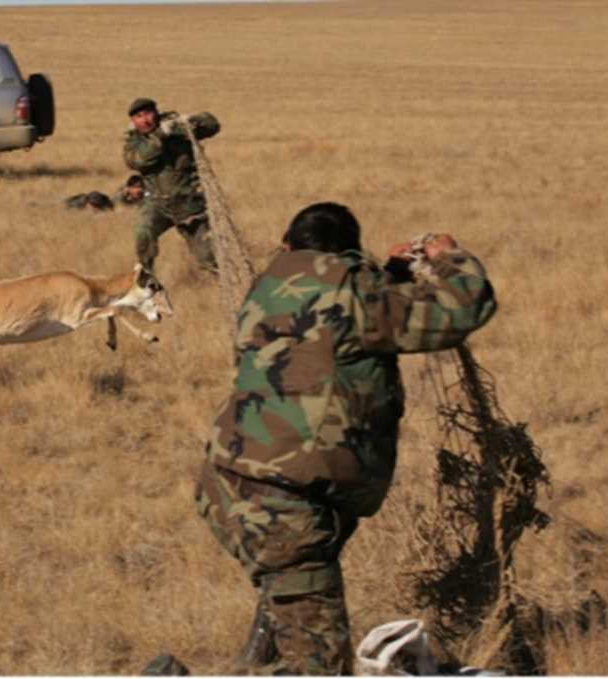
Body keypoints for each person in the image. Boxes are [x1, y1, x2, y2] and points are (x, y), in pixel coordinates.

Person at [194, 202, 498, 675]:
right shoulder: (360, 294)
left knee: (290, 596)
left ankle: (258, 660)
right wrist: (448, 258)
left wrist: (384, 273)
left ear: (290, 244)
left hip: (232, 483)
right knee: (323, 663)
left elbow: (332, 318)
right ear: (350, 252)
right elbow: (462, 309)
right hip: (284, 505)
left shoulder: (269, 283)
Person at [123, 98, 219, 272]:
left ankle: (230, 288)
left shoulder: (176, 130)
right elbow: (138, 161)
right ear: (133, 121)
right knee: (143, 233)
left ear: (156, 113)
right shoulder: (134, 142)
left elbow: (213, 124)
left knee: (209, 259)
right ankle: (146, 278)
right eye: (138, 116)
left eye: (148, 114)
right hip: (157, 204)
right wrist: (161, 135)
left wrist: (188, 122)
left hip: (189, 204)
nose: (145, 120)